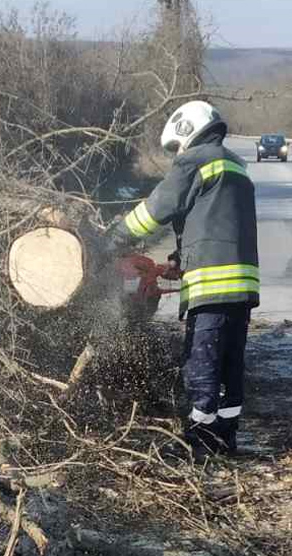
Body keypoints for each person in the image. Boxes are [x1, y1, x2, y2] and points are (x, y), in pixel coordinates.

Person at [108, 100, 260, 456]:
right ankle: (225, 438)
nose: (178, 153)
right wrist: (181, 258)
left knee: (200, 364)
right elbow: (214, 221)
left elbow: (158, 208)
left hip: (213, 286)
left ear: (188, 130)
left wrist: (112, 239)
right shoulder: (236, 167)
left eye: (177, 146)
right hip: (242, 286)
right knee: (230, 365)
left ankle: (198, 440)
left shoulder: (196, 160)